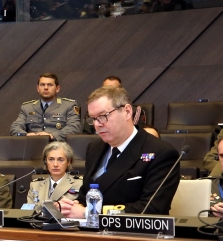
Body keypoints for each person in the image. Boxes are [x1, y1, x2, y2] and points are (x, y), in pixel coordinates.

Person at [59, 87, 180, 217]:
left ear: (127, 112)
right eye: (93, 119)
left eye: (103, 116)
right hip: (91, 231)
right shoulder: (94, 148)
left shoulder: (161, 153)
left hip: (135, 234)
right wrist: (70, 206)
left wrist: (89, 213)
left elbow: (151, 209)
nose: (97, 124)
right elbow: (86, 195)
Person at [10, 73, 81, 142]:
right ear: (38, 88)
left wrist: (52, 136)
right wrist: (26, 135)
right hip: (33, 145)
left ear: (57, 88)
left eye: (50, 85)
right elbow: (15, 128)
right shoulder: (27, 107)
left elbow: (74, 127)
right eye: (42, 85)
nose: (46, 88)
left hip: (57, 146)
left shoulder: (69, 105)